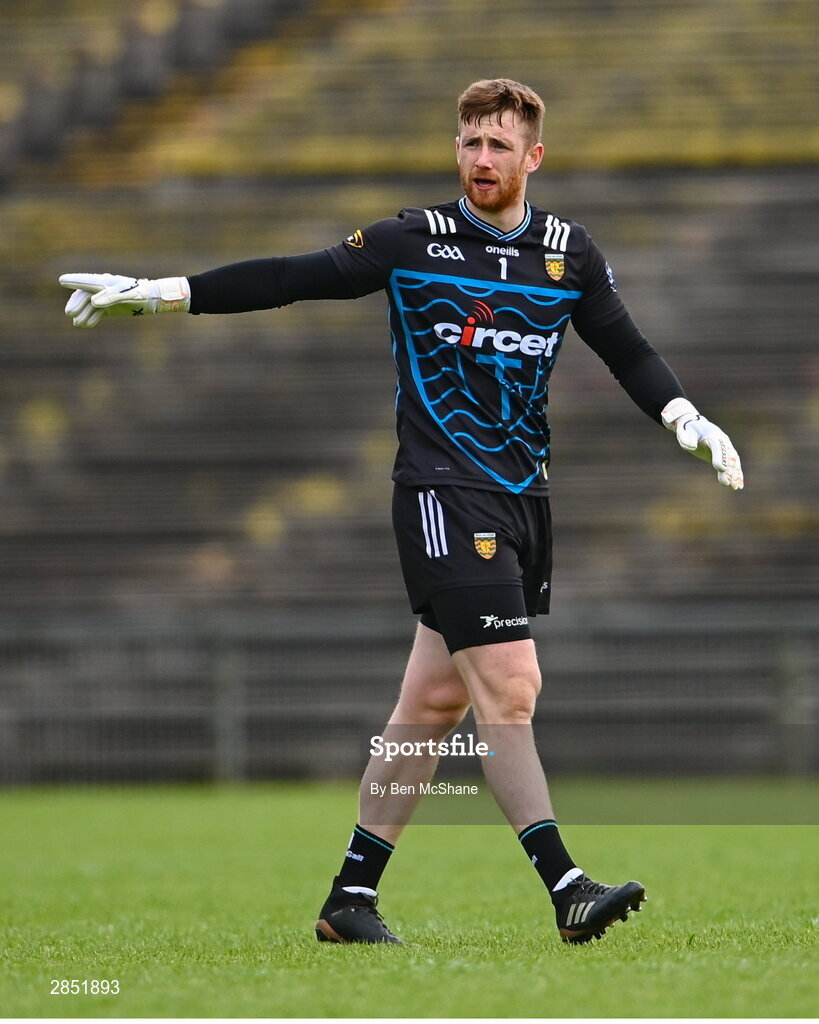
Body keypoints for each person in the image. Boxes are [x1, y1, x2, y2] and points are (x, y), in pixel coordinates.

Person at [60, 78, 743, 946]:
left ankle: (349, 899)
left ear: (533, 156)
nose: (480, 159)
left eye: (498, 145)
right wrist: (155, 292)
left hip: (522, 495)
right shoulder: (412, 239)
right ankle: (567, 886)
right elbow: (286, 278)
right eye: (468, 142)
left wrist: (684, 417)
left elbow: (629, 350)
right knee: (511, 686)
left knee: (429, 707)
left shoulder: (570, 254)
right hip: (440, 491)